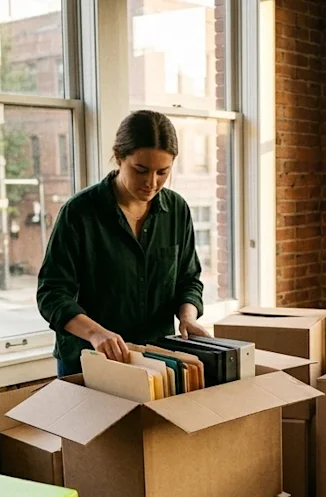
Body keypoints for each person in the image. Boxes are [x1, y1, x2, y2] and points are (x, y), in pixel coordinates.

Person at [37, 110, 208, 376]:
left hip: (156, 360)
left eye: (163, 172)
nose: (152, 183)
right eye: (141, 170)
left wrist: (187, 317)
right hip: (88, 360)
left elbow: (188, 280)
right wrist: (96, 333)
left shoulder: (177, 210)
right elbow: (52, 295)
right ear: (119, 158)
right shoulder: (79, 212)